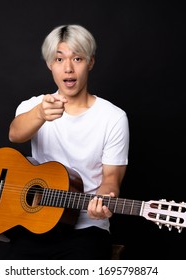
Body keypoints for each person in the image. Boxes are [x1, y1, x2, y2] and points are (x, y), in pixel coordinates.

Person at [7, 24, 130, 259]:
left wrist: (103, 201)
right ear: (49, 64)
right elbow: (15, 134)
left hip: (87, 229)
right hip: (36, 223)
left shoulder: (113, 117)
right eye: (59, 59)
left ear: (91, 62)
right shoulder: (34, 106)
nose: (69, 68)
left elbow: (112, 179)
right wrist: (40, 115)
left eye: (78, 58)